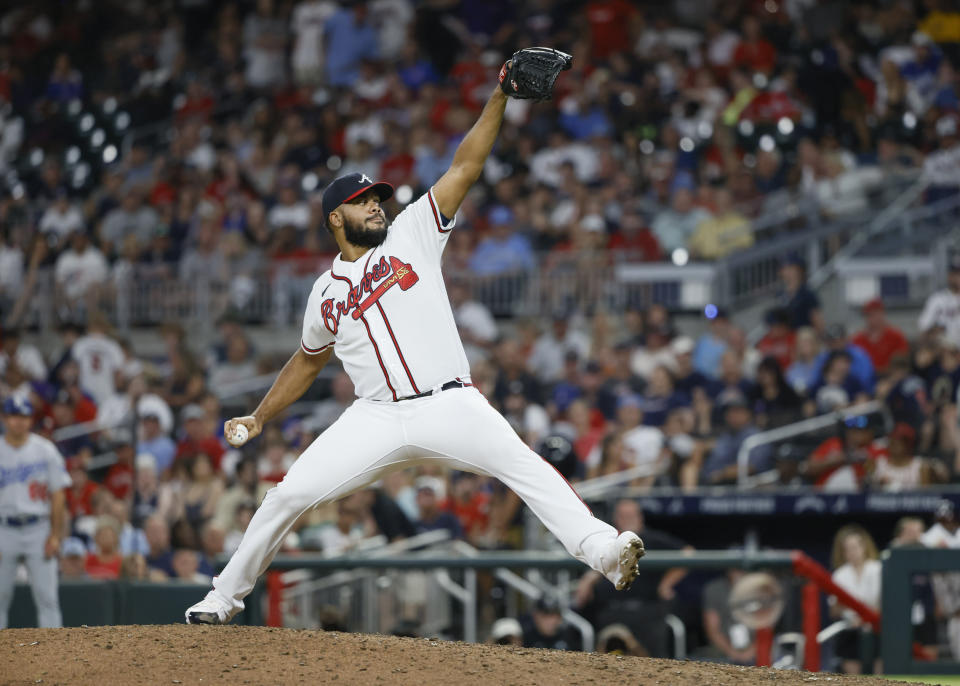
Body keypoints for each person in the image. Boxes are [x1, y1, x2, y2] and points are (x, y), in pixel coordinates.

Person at [185, 67, 644, 624]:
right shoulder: (325, 292)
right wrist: (260, 417)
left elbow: (466, 165)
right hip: (375, 417)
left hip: (449, 402)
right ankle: (221, 597)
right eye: (363, 202)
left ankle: (604, 552)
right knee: (285, 496)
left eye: (378, 197)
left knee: (524, 465)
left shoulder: (411, 233)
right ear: (337, 218)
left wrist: (498, 94)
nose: (377, 205)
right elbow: (307, 361)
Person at [0, 397, 71, 629]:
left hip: (38, 528)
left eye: (24, 417)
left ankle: (55, 660)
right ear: (4, 418)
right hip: (4, 529)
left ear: (30, 420)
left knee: (47, 599)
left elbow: (58, 495)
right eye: (14, 416)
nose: (19, 422)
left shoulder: (45, 450)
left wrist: (55, 535)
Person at [829, 524, 882, 674]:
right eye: (848, 548)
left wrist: (869, 616)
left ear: (864, 547)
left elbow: (886, 602)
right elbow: (834, 610)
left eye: (855, 547)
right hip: (851, 629)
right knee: (854, 678)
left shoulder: (878, 569)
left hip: (877, 627)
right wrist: (855, 614)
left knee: (881, 676)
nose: (852, 552)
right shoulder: (840, 574)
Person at [852, 299, 910, 376]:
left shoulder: (896, 336)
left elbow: (902, 364)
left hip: (891, 378)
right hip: (866, 379)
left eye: (875, 314)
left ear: (882, 314)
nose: (872, 318)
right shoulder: (857, 339)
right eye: (869, 315)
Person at [918, 252, 960, 349]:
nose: (958, 277)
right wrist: (937, 330)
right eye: (956, 273)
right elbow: (923, 328)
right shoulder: (937, 299)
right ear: (950, 276)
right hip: (943, 349)